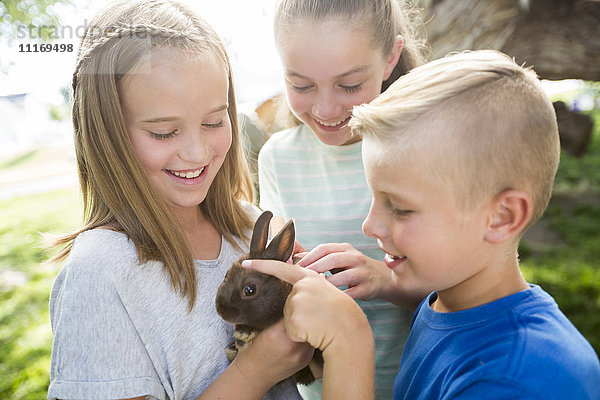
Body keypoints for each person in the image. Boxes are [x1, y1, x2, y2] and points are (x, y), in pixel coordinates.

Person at [245, 50, 600, 399]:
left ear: (502, 217)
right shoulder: (440, 305)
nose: (370, 226)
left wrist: (348, 344)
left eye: (399, 209)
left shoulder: (519, 380)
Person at [46, 1, 313, 398]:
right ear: (106, 134)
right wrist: (254, 371)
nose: (198, 153)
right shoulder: (101, 273)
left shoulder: (247, 226)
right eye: (164, 132)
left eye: (213, 122)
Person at [257, 1, 428, 397]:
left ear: (390, 59)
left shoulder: (421, 148)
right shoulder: (278, 158)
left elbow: (466, 288)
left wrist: (386, 280)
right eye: (301, 86)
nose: (326, 108)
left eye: (349, 85)